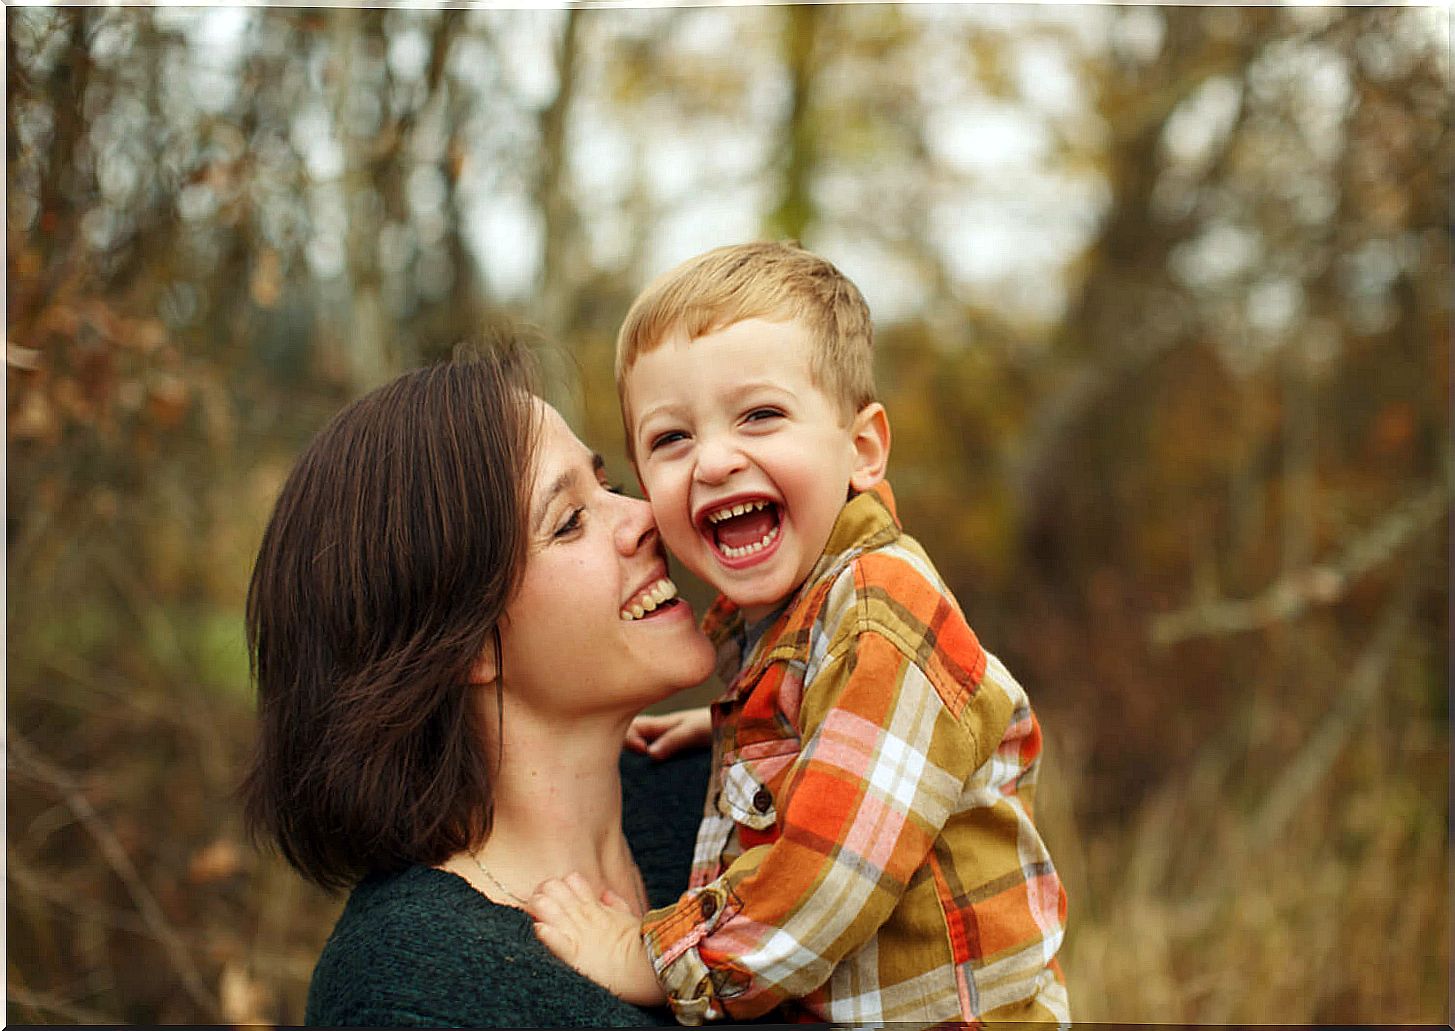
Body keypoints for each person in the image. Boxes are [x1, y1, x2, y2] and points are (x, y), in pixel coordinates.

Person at [529, 241, 1071, 1025]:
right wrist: (738, 733)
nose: (713, 460)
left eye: (760, 415)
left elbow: (828, 878)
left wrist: (651, 956)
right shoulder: (792, 634)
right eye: (670, 438)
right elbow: (829, 748)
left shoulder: (884, 615)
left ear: (861, 449)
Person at [240, 348, 720, 1027]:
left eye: (605, 484)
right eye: (569, 520)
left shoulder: (734, 798)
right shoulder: (409, 990)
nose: (643, 515)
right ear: (467, 643)